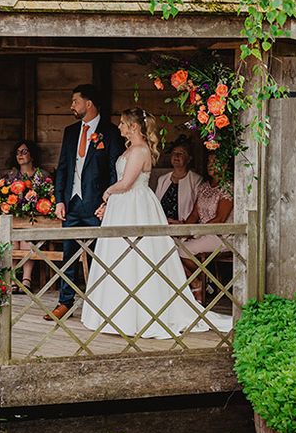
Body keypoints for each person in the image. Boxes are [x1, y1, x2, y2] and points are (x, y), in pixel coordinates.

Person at [81, 108, 230, 338]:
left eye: (122, 123)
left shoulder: (140, 150)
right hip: (124, 205)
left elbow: (127, 182)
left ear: (133, 126)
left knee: (138, 254)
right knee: (118, 253)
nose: (119, 127)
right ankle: (115, 310)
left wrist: (107, 193)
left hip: (135, 206)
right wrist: (109, 204)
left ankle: (142, 311)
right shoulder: (130, 149)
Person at [47, 84, 123, 321]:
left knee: (98, 257)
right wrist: (59, 200)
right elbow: (63, 168)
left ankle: (98, 306)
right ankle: (64, 302)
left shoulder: (110, 133)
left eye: (75, 101)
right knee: (68, 255)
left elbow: (114, 171)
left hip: (96, 205)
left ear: (88, 104)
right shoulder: (70, 132)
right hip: (71, 204)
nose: (72, 106)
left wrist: (107, 202)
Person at [180, 153, 234, 302]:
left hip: (221, 236)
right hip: (202, 232)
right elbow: (193, 216)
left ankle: (202, 281)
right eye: (209, 161)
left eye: (215, 161)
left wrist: (197, 231)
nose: (210, 164)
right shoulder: (204, 187)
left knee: (182, 250)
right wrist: (181, 227)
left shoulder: (228, 188)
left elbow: (220, 219)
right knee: (169, 246)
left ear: (224, 166)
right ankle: (199, 282)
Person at [4, 139, 50, 293]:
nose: (20, 155)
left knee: (25, 238)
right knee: (13, 239)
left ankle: (26, 279)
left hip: (36, 221)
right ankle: (13, 278)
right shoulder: (12, 176)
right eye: (17, 153)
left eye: (24, 152)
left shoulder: (42, 175)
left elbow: (50, 198)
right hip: (16, 221)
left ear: (32, 154)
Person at [154, 136, 202, 224]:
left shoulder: (196, 180)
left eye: (181, 153)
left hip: (184, 226)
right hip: (162, 225)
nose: (176, 156)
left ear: (189, 158)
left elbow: (198, 209)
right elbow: (156, 205)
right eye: (174, 152)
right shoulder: (162, 179)